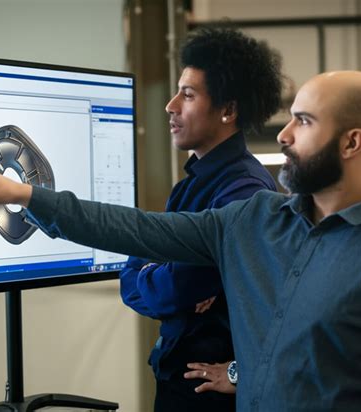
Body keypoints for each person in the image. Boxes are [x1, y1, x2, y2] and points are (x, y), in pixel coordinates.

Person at [0, 70, 361, 411]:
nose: (283, 135)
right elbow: (137, 228)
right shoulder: (255, 220)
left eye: (304, 121)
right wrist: (23, 194)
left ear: (351, 143)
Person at [119, 27, 281, 411]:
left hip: (206, 391)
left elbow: (174, 290)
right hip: (177, 375)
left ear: (228, 110)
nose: (170, 105)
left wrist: (161, 277)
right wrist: (162, 277)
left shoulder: (244, 190)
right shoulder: (191, 185)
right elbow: (134, 279)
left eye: (188, 95)